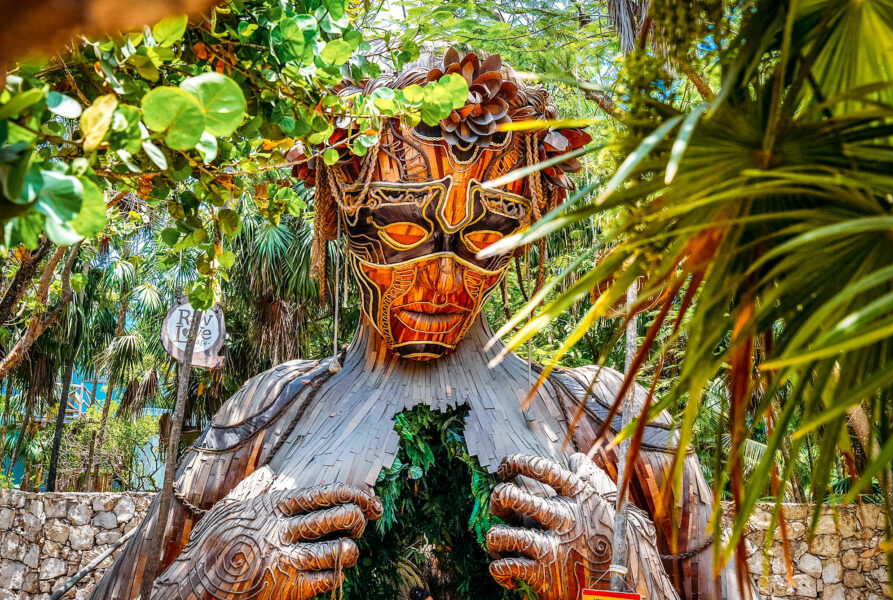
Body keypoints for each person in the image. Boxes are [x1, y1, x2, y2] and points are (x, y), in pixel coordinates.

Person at [90, 49, 750, 600]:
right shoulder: (270, 412)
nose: (442, 280)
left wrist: (617, 557)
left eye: (486, 235)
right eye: (405, 230)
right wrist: (216, 569)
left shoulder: (611, 418)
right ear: (343, 214)